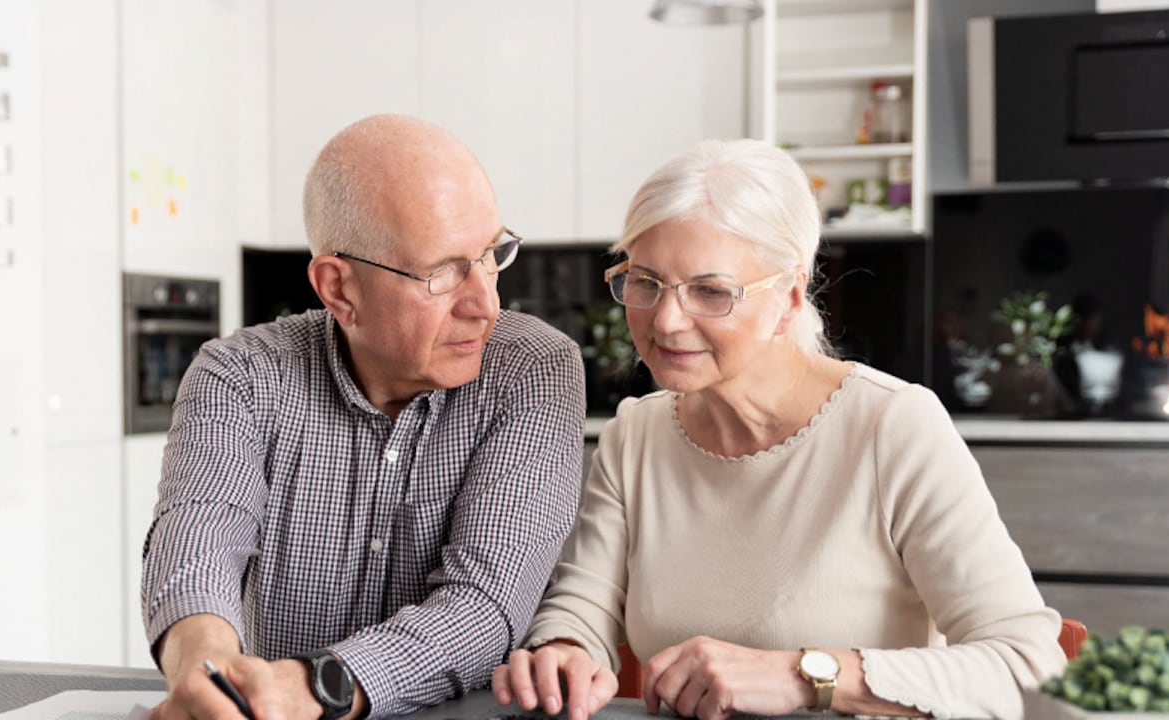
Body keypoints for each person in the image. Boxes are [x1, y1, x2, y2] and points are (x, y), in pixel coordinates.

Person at [491, 139, 1066, 720]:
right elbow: (582, 608)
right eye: (645, 282)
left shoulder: (893, 426)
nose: (665, 320)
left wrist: (804, 675)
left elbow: (1030, 669)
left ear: (789, 297)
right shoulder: (635, 436)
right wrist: (560, 649)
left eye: (711, 291)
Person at [142, 114, 586, 720]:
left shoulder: (532, 368)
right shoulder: (238, 376)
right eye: (444, 272)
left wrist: (313, 688)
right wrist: (205, 665)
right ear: (339, 289)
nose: (486, 303)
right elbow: (198, 541)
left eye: (491, 254)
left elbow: (484, 603)